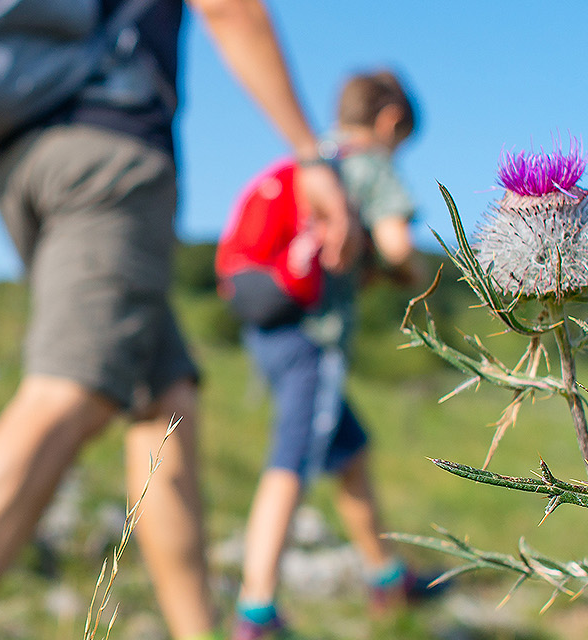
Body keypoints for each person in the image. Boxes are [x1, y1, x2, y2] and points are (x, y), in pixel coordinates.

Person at [0, 1, 362, 639]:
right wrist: (310, 155)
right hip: (107, 156)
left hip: (23, 158)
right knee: (69, 390)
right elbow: (229, 8)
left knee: (165, 402)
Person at [229, 69, 431, 640]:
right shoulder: (370, 165)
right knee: (290, 459)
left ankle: (386, 575)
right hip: (314, 340)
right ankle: (256, 610)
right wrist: (412, 272)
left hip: (268, 327)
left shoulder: (312, 158)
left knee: (349, 451)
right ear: (391, 122)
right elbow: (398, 247)